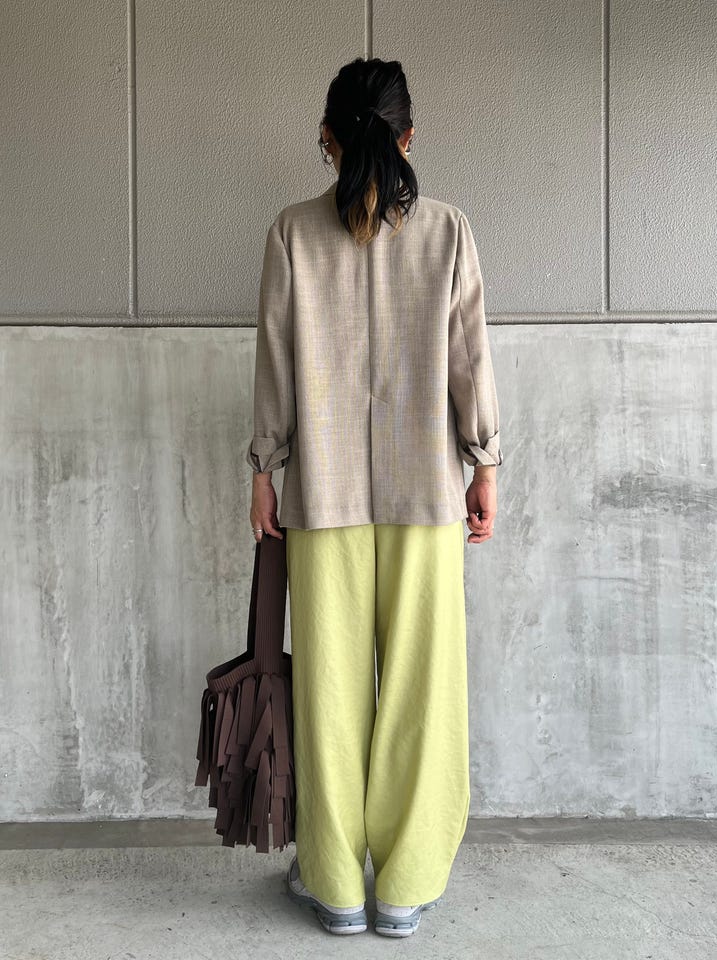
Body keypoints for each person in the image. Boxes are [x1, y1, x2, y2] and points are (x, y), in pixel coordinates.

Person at [246, 57, 503, 938]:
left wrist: (264, 470)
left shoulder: (291, 232)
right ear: (408, 136)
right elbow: (471, 358)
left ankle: (335, 887)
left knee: (329, 689)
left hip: (322, 498)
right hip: (427, 495)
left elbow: (275, 362)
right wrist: (485, 464)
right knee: (423, 690)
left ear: (327, 136)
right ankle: (404, 885)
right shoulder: (448, 232)